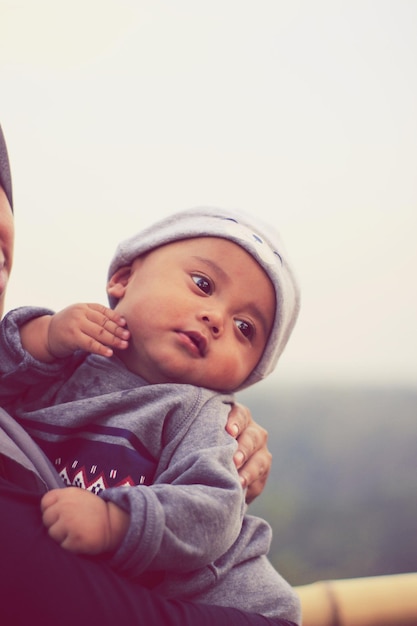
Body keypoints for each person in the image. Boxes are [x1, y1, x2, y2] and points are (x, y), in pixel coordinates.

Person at [0, 124, 298, 626]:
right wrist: (44, 336)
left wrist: (117, 522)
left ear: (247, 375)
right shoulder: (69, 353)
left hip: (233, 605)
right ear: (123, 278)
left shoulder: (198, 415)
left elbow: (213, 511)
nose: (217, 318)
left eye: (245, 328)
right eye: (202, 284)